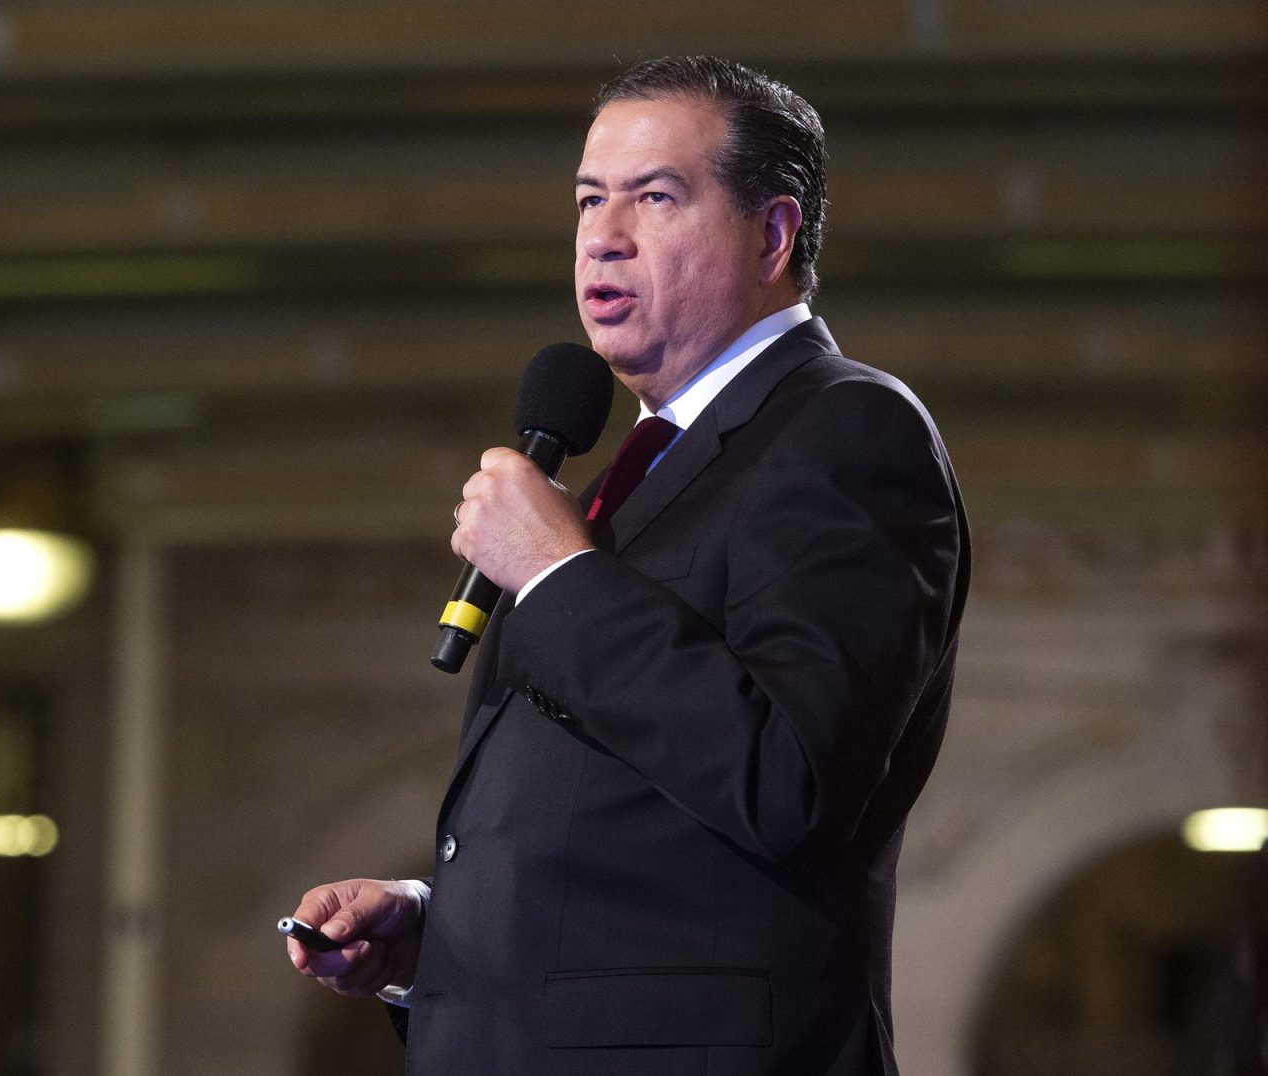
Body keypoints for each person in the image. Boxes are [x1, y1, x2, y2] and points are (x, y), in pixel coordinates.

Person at [286, 55, 970, 1075]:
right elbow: (640, 836)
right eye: (588, 200)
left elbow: (789, 780)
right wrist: (445, 931)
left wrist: (561, 573)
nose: (603, 235)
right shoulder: (647, 471)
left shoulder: (849, 430)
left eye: (655, 196)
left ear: (774, 233)